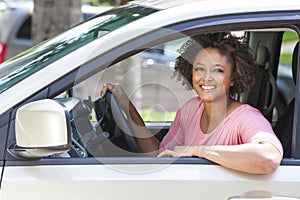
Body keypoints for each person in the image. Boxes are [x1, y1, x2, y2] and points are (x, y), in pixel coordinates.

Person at [100, 32, 283, 174]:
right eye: (200, 69)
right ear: (191, 72)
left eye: (218, 70)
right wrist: (128, 107)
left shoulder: (245, 117)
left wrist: (198, 151)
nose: (206, 78)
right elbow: (159, 155)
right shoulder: (191, 110)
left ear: (233, 78)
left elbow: (269, 157)